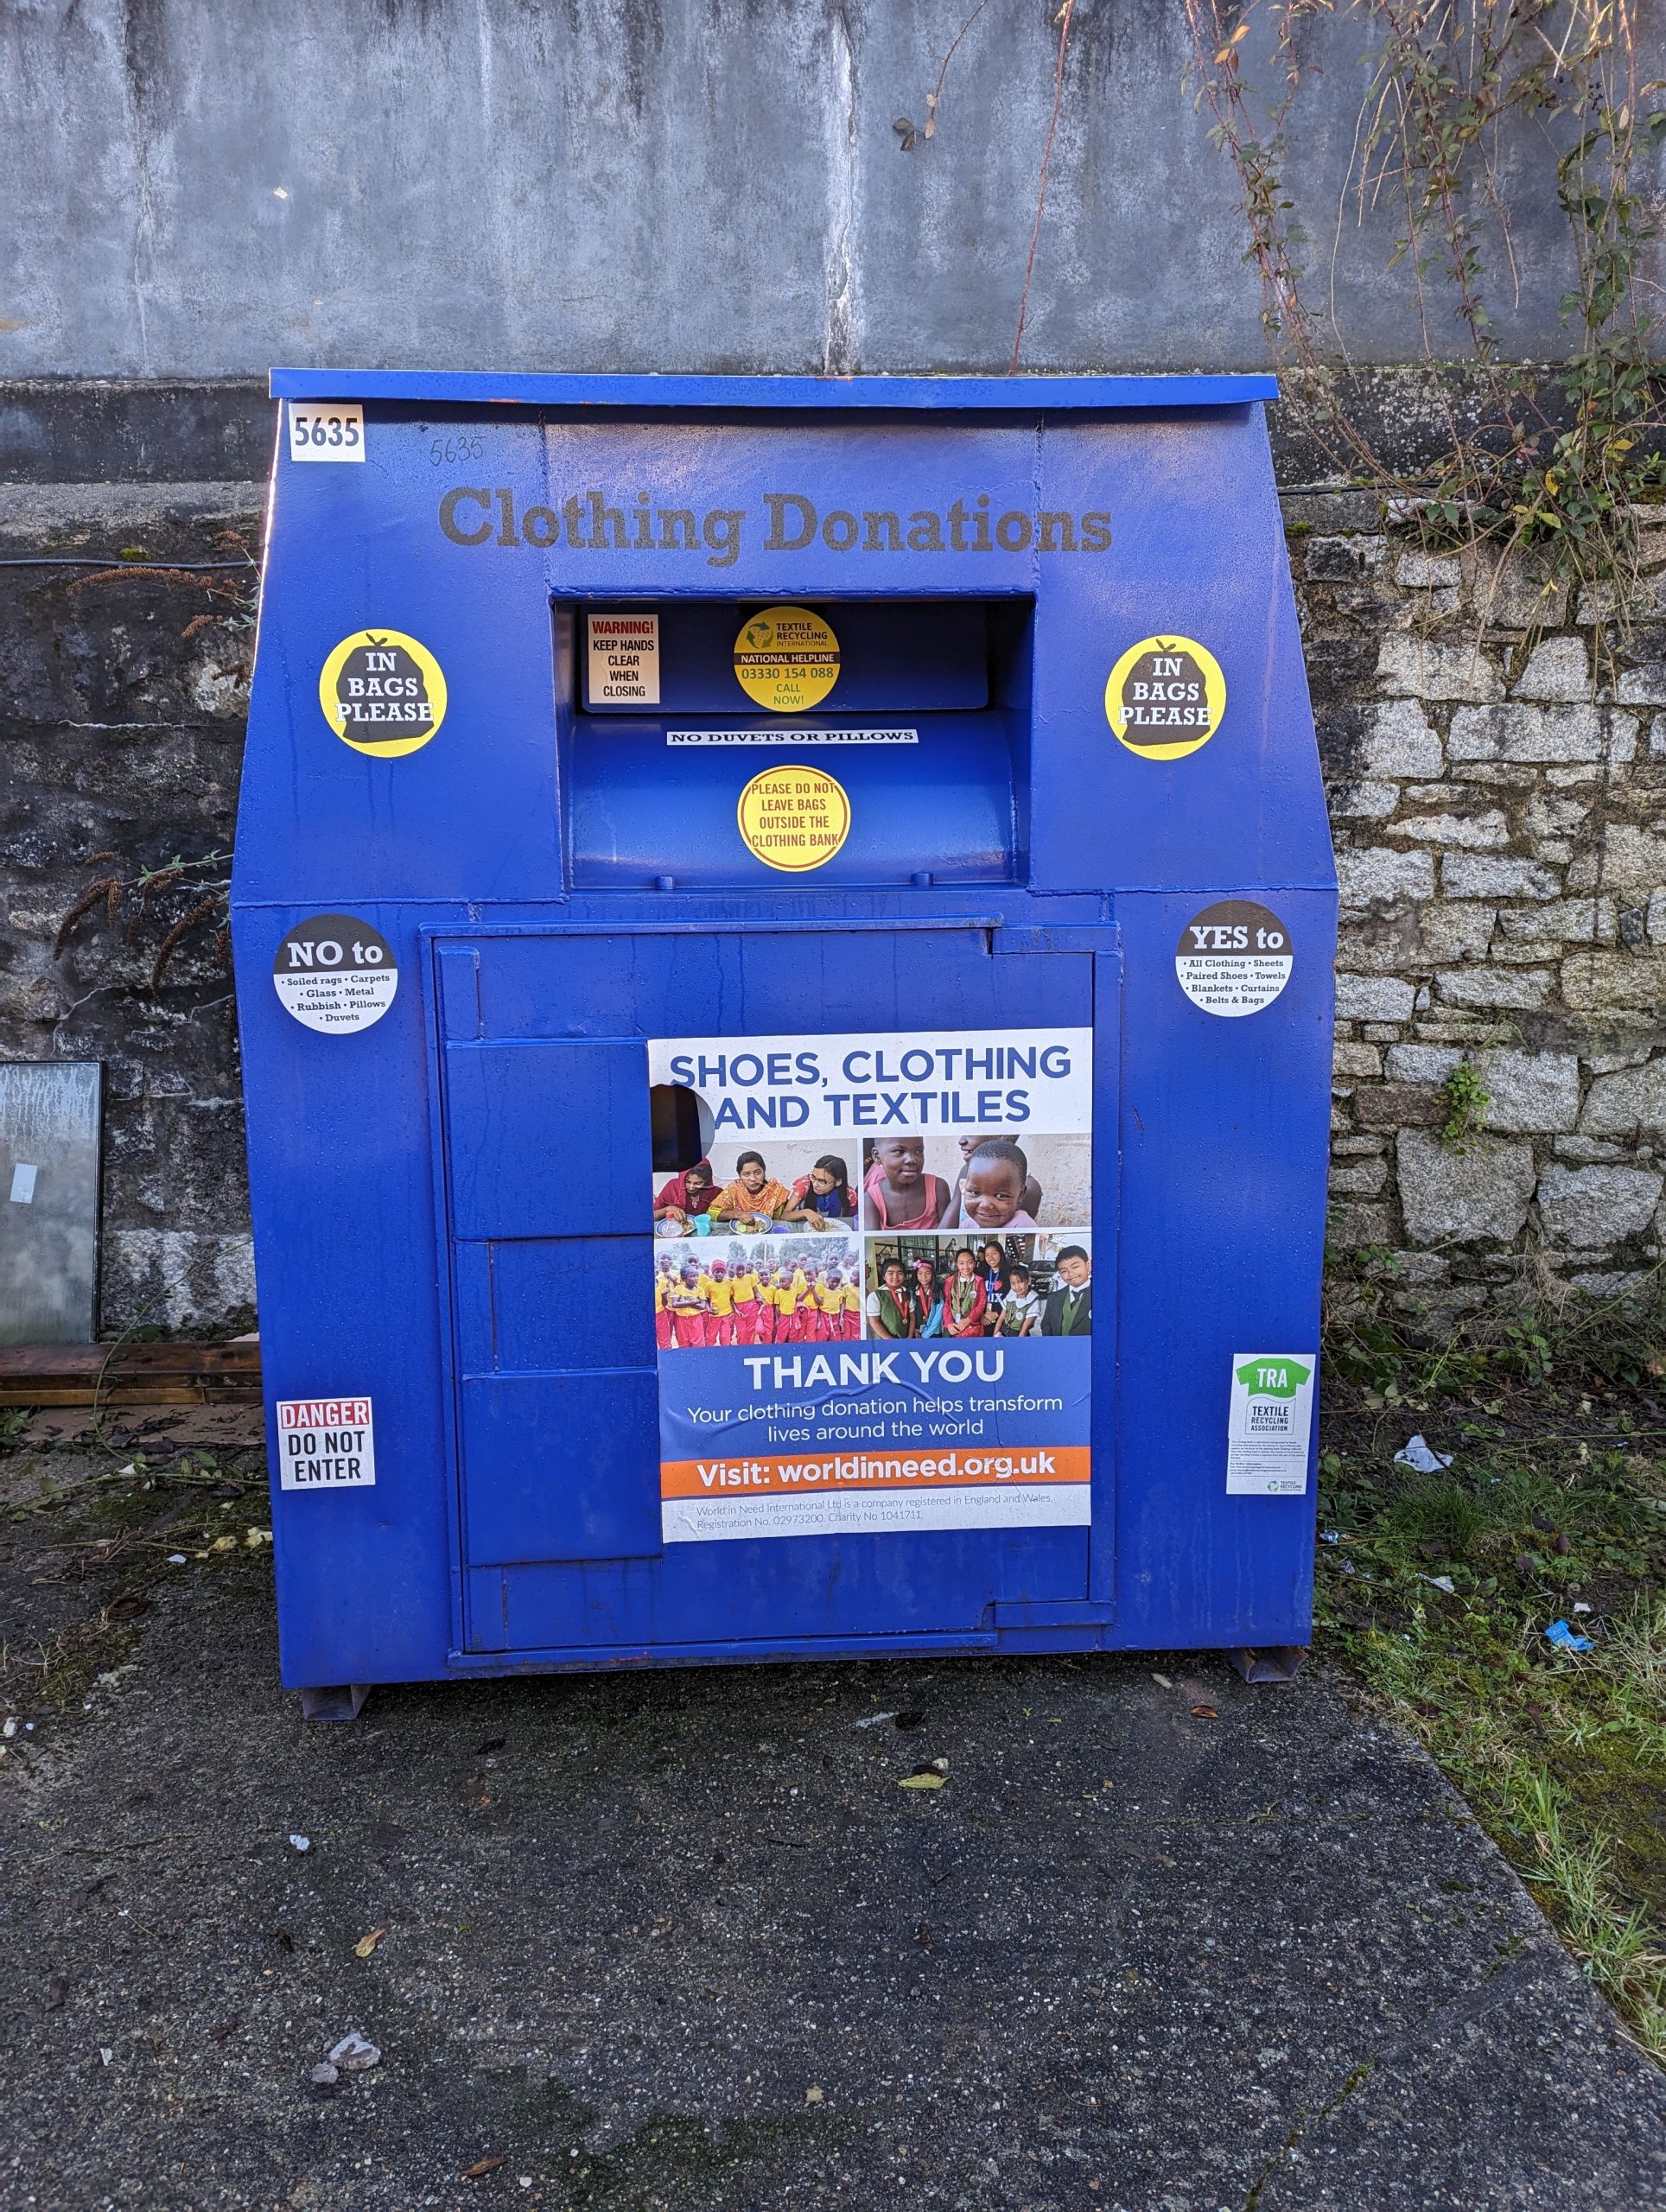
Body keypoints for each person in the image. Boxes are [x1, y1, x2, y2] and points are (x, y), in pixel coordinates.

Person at [950, 1134, 1042, 1224]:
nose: (985, 1205)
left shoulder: (1021, 1224)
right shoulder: (968, 1224)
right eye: (975, 1193)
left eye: (1001, 1196)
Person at [862, 1137, 951, 1231]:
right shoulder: (871, 1199)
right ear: (877, 1156)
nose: (911, 1160)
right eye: (899, 1152)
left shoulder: (938, 1188)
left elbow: (948, 1235)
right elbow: (871, 1242)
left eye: (918, 1151)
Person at [710, 1150, 793, 1227]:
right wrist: (737, 1214)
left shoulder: (776, 1192)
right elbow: (711, 1212)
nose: (753, 1179)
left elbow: (781, 1221)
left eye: (757, 1172)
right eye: (746, 1174)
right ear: (740, 1176)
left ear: (764, 1170)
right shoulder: (734, 1190)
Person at [784, 1154, 856, 1228]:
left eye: (822, 1181)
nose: (815, 1184)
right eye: (813, 1177)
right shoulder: (804, 1184)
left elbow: (852, 1221)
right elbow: (784, 1216)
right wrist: (806, 1212)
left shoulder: (849, 1194)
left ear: (838, 1182)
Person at [1040, 1246, 1092, 1337]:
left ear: (1088, 1265)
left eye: (1075, 1267)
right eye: (1064, 1271)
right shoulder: (1054, 1298)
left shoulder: (1102, 1297)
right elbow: (1046, 1326)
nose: (1070, 1274)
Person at [653, 1159, 715, 1230]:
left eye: (698, 1183)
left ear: (707, 1181)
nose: (691, 1187)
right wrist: (667, 1209)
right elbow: (650, 1217)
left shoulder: (714, 1192)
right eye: (687, 1182)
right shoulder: (672, 1187)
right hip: (672, 1232)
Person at [940, 1247, 988, 1338]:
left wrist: (968, 1320)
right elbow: (946, 1303)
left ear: (974, 1263)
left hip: (972, 1326)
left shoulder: (979, 1281)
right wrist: (949, 1323)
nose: (965, 1267)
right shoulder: (950, 1281)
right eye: (961, 1263)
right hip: (954, 1326)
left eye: (969, 1263)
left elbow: (981, 1304)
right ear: (957, 1264)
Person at [867, 1255, 912, 1339]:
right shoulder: (875, 1296)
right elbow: (874, 1322)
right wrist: (890, 1340)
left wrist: (910, 1336)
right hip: (885, 1343)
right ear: (884, 1276)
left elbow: (912, 1317)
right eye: (891, 1273)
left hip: (906, 1341)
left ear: (904, 1277)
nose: (895, 1276)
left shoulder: (907, 1294)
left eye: (900, 1273)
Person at [665, 1264, 709, 1349]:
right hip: (681, 1320)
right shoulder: (678, 1288)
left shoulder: (700, 1290)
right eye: (692, 1276)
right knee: (684, 1343)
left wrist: (684, 1302)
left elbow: (702, 1306)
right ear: (683, 1278)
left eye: (697, 1276)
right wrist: (694, 1301)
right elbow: (675, 1304)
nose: (696, 1278)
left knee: (698, 1344)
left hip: (696, 1319)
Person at [995, 1262, 1041, 1337]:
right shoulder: (1011, 1294)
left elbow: (1024, 1329)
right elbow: (1001, 1318)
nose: (1017, 1287)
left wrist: (1017, 1345)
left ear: (1028, 1281)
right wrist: (994, 1337)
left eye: (1020, 1282)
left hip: (1019, 1336)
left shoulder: (1033, 1300)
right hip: (1002, 1334)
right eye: (1013, 1283)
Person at [700, 1259, 737, 1346]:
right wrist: (709, 1309)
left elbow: (731, 1298)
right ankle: (709, 1354)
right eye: (717, 1272)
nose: (719, 1274)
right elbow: (706, 1300)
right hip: (714, 1315)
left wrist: (733, 1311)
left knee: (725, 1337)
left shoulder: (729, 1283)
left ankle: (725, 1354)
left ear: (725, 1273)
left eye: (721, 1272)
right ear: (713, 1273)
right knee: (710, 1338)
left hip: (727, 1315)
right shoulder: (709, 1285)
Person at [976, 1240, 1008, 1332]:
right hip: (984, 1320)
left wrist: (998, 1314)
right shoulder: (981, 1274)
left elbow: (1015, 1300)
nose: (990, 1257)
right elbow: (975, 1298)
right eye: (987, 1255)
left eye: (994, 1253)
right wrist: (981, 1315)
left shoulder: (1009, 1275)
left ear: (1000, 1254)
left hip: (1003, 1321)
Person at [731, 1255, 762, 1345]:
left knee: (751, 1329)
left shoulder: (750, 1277)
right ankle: (742, 1351)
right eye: (738, 1269)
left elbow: (756, 1291)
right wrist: (736, 1310)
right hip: (739, 1308)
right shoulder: (732, 1282)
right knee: (741, 1331)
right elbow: (731, 1299)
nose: (740, 1272)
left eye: (742, 1269)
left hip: (751, 1306)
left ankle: (750, 1350)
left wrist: (759, 1297)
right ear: (734, 1269)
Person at [911, 1257, 942, 1338]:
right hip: (916, 1332)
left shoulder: (937, 1292)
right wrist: (912, 1329)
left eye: (927, 1273)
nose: (924, 1277)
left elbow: (939, 1315)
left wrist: (927, 1334)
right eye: (920, 1273)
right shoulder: (912, 1292)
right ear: (916, 1274)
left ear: (932, 1274)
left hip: (933, 1332)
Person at [654, 1256, 675, 1351]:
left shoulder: (663, 1283)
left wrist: (663, 1295)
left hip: (660, 1315)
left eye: (654, 1268)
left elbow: (665, 1303)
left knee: (665, 1342)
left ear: (657, 1268)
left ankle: (668, 1363)